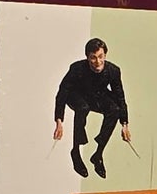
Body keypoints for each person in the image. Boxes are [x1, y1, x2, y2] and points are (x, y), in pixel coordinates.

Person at [52, 38, 131, 177]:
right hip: (76, 94)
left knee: (115, 110)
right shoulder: (76, 68)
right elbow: (63, 92)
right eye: (93, 58)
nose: (98, 62)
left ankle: (98, 155)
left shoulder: (113, 71)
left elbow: (120, 97)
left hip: (96, 94)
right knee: (83, 108)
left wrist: (124, 124)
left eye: (101, 57)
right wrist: (59, 121)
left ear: (105, 55)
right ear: (87, 57)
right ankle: (75, 152)